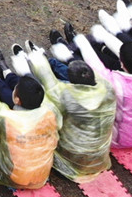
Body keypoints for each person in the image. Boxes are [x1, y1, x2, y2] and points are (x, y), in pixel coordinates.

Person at [28, 44, 115, 180]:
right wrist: (69, 58)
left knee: (39, 96)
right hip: (98, 157)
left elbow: (48, 82)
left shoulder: (67, 97)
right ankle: (53, 62)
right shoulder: (107, 88)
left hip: (72, 158)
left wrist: (38, 62)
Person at [0, 55, 60, 191]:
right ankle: (2, 74)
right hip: (40, 177)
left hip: (8, 176)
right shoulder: (50, 113)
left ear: (16, 100)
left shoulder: (8, 119)